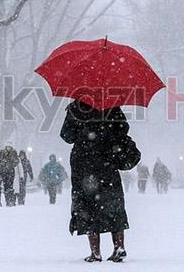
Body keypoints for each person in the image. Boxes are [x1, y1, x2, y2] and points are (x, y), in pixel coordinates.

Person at [60, 100, 141, 263]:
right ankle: (119, 247)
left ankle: (95, 252)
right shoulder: (112, 106)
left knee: (87, 207)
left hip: (85, 165)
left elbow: (67, 136)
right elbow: (123, 130)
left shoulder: (77, 108)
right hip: (107, 163)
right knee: (113, 205)